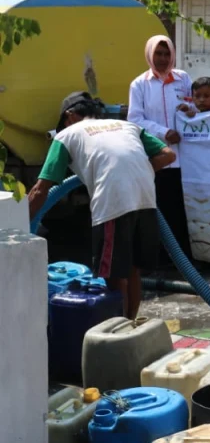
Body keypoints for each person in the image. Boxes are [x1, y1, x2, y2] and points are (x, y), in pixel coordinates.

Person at [28, 93, 176, 319]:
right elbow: (168, 155)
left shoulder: (67, 134)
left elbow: (41, 190)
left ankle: (117, 328)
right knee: (132, 269)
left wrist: (19, 224)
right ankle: (130, 322)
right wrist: (134, 171)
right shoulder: (127, 126)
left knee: (113, 274)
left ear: (69, 115)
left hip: (112, 203)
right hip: (146, 199)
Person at [127, 35, 192, 260]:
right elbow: (135, 119)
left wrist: (190, 111)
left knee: (181, 209)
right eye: (158, 53)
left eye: (167, 54)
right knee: (159, 209)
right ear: (149, 54)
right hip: (157, 158)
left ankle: (184, 260)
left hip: (184, 158)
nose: (163, 59)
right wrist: (164, 133)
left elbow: (195, 107)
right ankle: (161, 260)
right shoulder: (139, 84)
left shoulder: (183, 79)